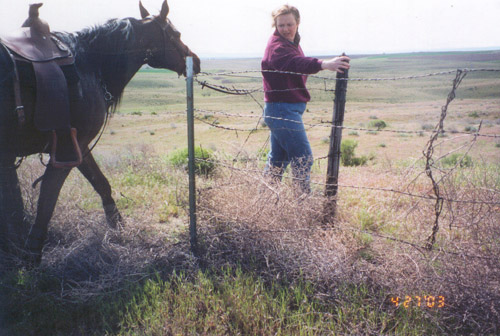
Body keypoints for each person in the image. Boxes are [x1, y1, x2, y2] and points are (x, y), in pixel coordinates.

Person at [262, 4, 350, 194]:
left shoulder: (291, 43)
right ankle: (301, 206)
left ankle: (265, 203)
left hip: (282, 108)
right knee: (303, 157)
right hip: (282, 109)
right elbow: (294, 63)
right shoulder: (277, 47)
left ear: (298, 23)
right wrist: (324, 64)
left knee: (277, 159)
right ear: (275, 26)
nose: (285, 29)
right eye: (281, 25)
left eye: (289, 24)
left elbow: (296, 63)